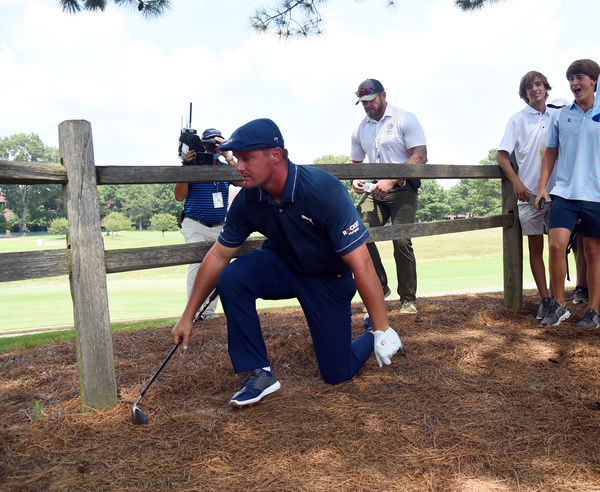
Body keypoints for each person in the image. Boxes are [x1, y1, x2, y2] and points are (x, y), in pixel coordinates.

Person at [171, 118, 403, 407]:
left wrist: (382, 327)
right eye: (237, 159)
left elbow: (362, 265)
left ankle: (368, 332)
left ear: (276, 155)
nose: (238, 166)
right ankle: (258, 372)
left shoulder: (322, 189)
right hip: (284, 266)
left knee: (337, 373)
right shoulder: (247, 199)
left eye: (246, 158)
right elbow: (218, 255)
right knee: (232, 277)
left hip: (328, 278)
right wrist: (188, 315)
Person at [350, 79, 427, 315]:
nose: (367, 106)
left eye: (370, 100)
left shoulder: (404, 118)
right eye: (362, 102)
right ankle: (380, 287)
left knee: (401, 240)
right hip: (375, 191)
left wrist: (391, 179)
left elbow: (420, 156)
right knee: (359, 234)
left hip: (403, 189)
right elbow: (354, 162)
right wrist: (354, 178)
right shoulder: (360, 128)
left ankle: (408, 299)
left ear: (383, 96)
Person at [536, 59, 600, 328]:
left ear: (594, 81)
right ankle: (559, 305)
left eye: (580, 78)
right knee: (555, 245)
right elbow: (551, 152)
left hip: (596, 195)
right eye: (571, 78)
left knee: (593, 251)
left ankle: (594, 310)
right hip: (564, 192)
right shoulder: (562, 116)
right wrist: (542, 187)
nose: (574, 83)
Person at [496, 71, 556, 321]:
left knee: (558, 248)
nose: (535, 89)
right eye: (529, 86)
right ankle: (545, 299)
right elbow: (501, 156)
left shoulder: (558, 116)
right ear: (525, 93)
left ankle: (557, 298)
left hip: (558, 194)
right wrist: (517, 183)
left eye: (539, 84)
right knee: (536, 248)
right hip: (528, 195)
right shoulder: (517, 120)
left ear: (546, 88)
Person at [174, 128, 239, 320]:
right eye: (211, 143)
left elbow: (242, 181)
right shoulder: (192, 165)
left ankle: (208, 313)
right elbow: (179, 196)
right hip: (195, 223)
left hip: (219, 224)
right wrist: (186, 166)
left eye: (218, 143)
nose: (214, 147)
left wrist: (228, 155)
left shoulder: (224, 166)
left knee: (219, 266)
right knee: (197, 263)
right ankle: (193, 314)